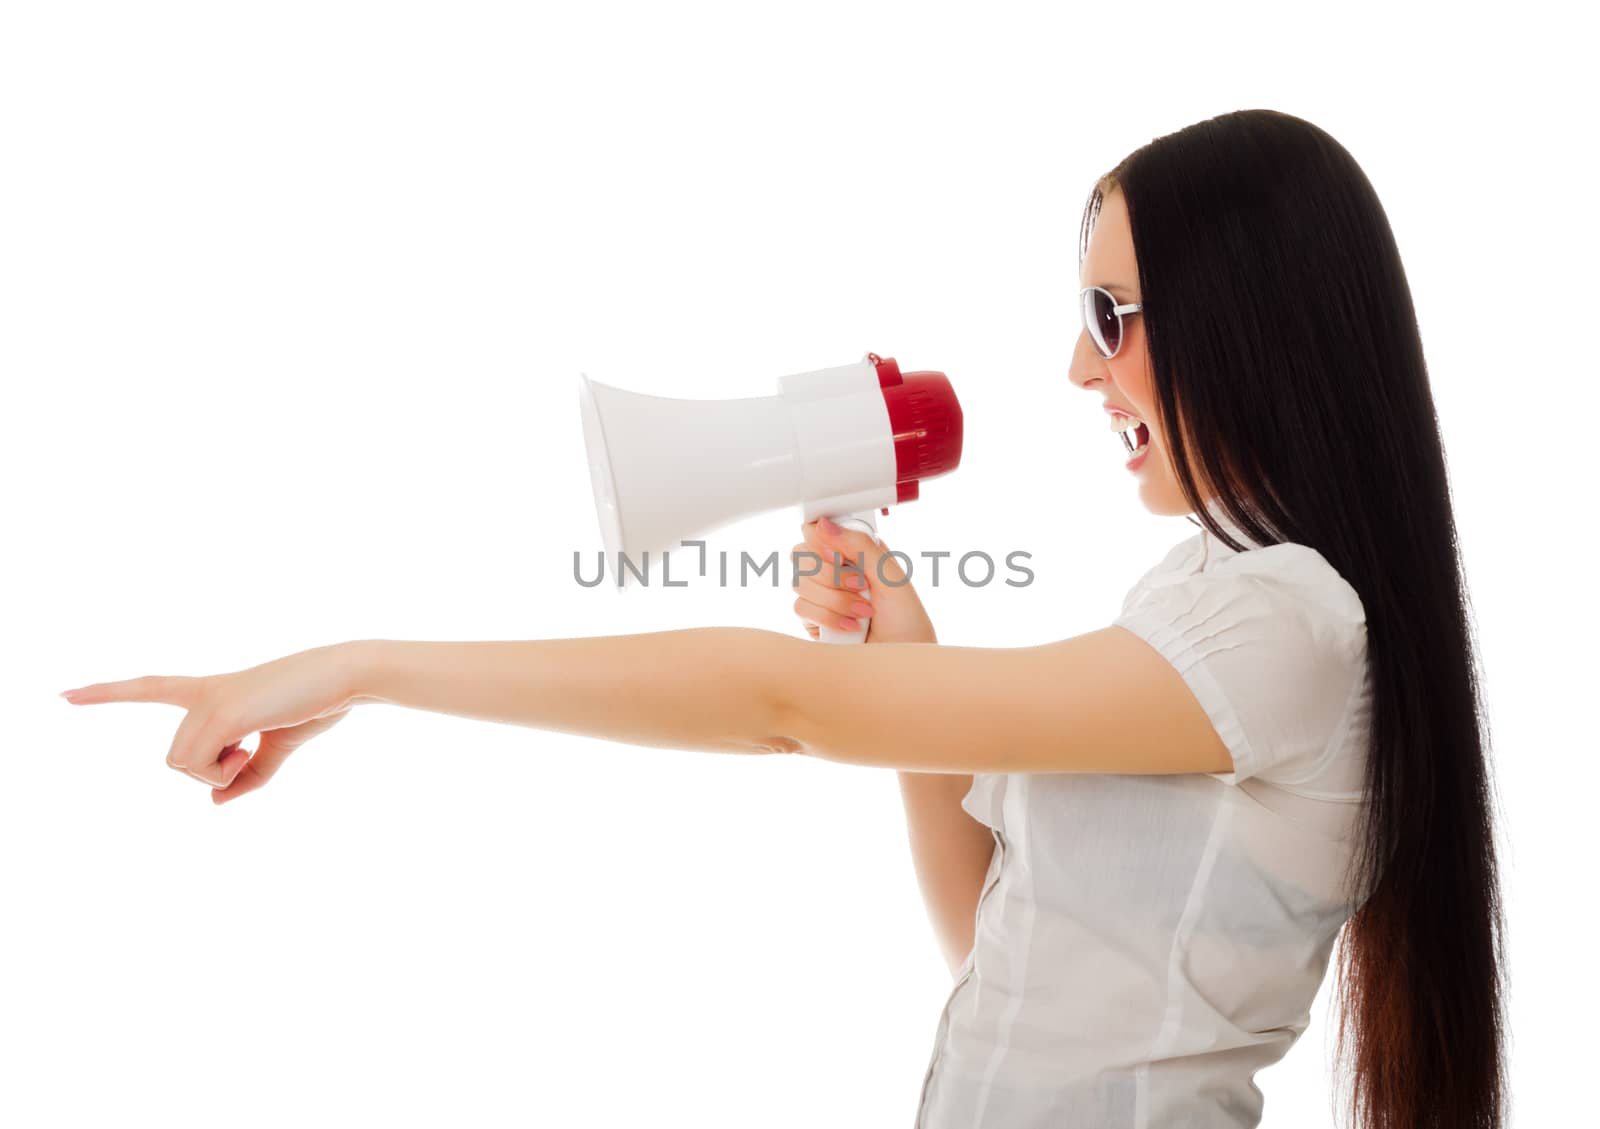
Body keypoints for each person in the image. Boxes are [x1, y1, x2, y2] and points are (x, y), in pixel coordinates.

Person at [59, 109, 1506, 1129]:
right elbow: (999, 955)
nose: (1077, 364)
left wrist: (363, 666)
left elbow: (781, 705)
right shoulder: (1188, 598)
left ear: (1250, 316)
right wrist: (908, 654)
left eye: (1113, 313)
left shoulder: (1288, 625)